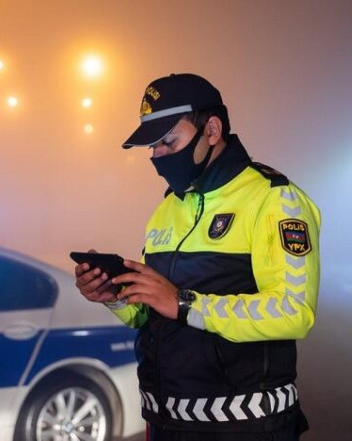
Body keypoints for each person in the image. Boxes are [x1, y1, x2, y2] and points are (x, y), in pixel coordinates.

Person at [75, 73, 321, 441]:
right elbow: (151, 312)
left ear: (212, 129)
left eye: (167, 142)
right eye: (152, 147)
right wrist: (115, 296)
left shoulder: (275, 199)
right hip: (166, 421)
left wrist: (185, 303)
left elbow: (293, 311)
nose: (157, 156)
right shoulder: (168, 207)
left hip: (245, 426)